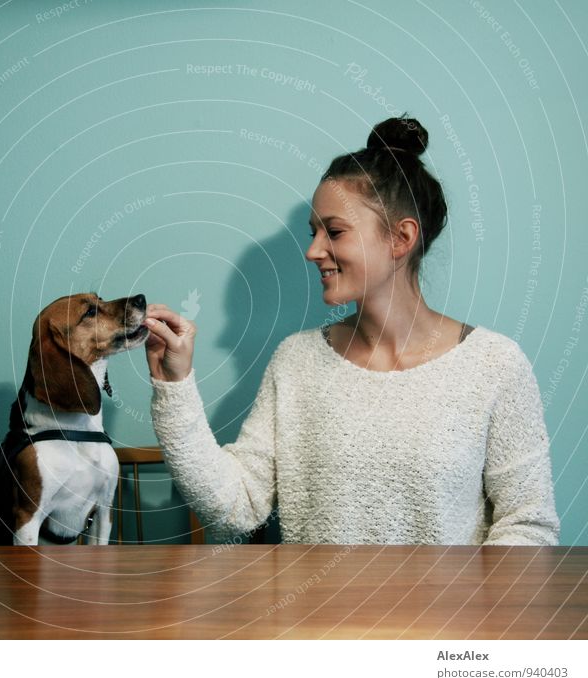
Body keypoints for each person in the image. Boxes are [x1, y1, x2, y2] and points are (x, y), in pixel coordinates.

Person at [142, 115, 560, 546]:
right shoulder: (297, 361)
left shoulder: (494, 365)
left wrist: (461, 609)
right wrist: (174, 385)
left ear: (401, 238)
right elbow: (237, 507)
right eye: (313, 232)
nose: (312, 250)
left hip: (448, 615)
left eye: (334, 232)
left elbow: (527, 523)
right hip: (312, 614)